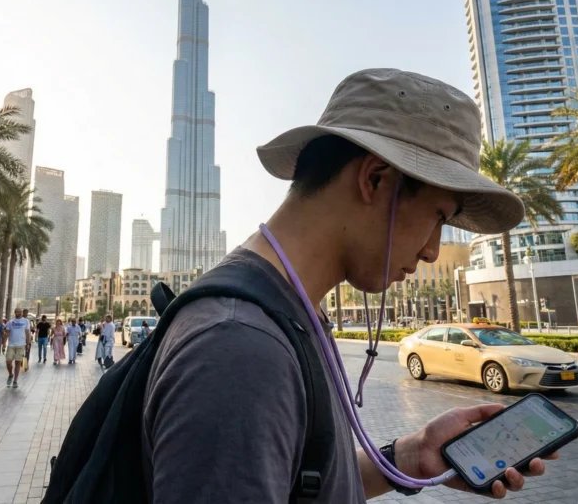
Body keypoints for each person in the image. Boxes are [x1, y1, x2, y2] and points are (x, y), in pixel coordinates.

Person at [140, 70, 554, 501]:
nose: (433, 251)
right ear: (374, 179)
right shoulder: (240, 350)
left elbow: (302, 480)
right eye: (438, 217)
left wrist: (410, 459)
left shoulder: (283, 314)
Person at [3, 308, 31, 388]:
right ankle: (10, 374)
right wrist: (4, 343)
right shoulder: (10, 322)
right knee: (8, 362)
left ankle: (15, 380)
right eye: (18, 312)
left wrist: (28, 343)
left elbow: (27, 332)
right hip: (11, 345)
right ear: (15, 312)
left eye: (21, 312)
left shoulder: (26, 321)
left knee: (18, 362)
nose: (20, 313)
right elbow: (7, 333)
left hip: (21, 345)